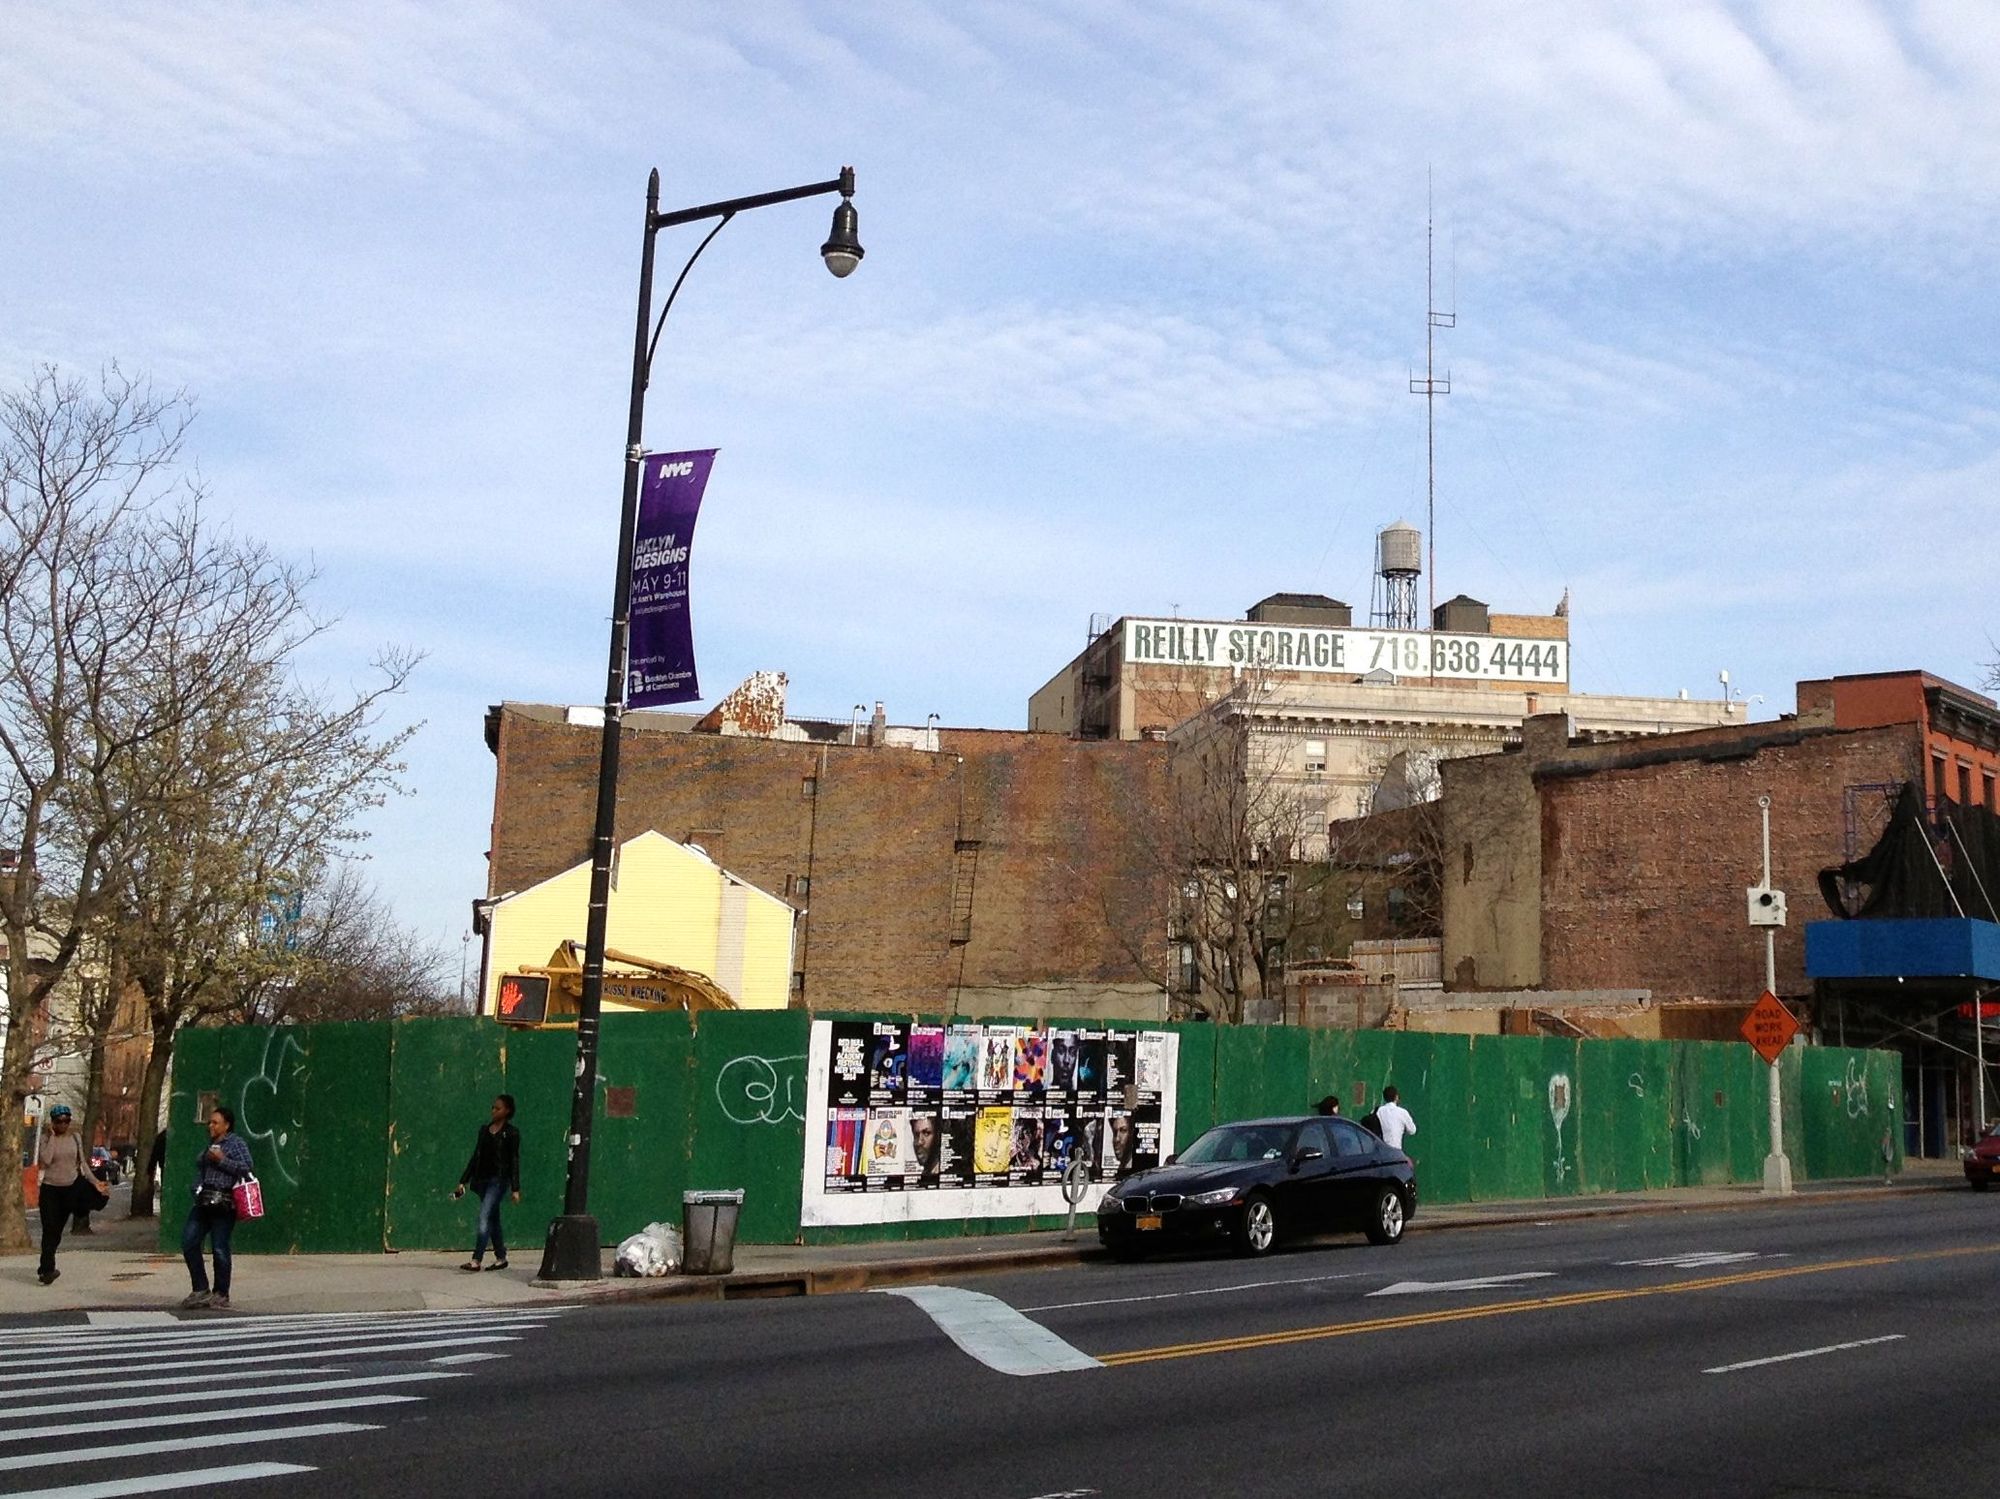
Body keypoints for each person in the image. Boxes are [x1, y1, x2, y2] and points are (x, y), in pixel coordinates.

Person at [183, 1105, 254, 1310]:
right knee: (189, 1241)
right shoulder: (210, 1144)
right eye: (210, 1122)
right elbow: (202, 1167)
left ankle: (221, 1293)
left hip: (224, 1202)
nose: (210, 1126)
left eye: (215, 1122)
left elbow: (247, 1167)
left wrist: (222, 1160)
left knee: (219, 1248)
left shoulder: (236, 1143)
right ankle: (201, 1288)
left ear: (227, 1125)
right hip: (204, 1200)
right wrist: (196, 1186)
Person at [35, 1104, 107, 1285]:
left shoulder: (75, 1138)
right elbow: (46, 1160)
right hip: (50, 1189)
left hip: (70, 1189)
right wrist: (52, 1137)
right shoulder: (45, 1138)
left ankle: (46, 1267)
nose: (63, 1125)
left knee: (57, 1231)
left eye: (66, 1121)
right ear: (53, 1122)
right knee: (49, 1229)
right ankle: (47, 1269)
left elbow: (83, 1163)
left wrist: (95, 1182)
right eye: (59, 1121)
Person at [451, 1094, 521, 1272]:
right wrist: (463, 1180)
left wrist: (515, 1188)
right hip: (482, 1180)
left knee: (484, 1216)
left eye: (498, 1108)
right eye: (493, 1107)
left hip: (499, 1181)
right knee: (493, 1218)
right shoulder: (484, 1131)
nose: (493, 1111)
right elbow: (476, 1156)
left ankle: (476, 1260)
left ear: (507, 1111)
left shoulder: (511, 1133)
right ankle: (501, 1258)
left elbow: (514, 1160)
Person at [1376, 1085, 1417, 1151]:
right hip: (1396, 1151)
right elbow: (1412, 1130)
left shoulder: (1378, 1111)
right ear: (1396, 1097)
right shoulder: (1402, 1112)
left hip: (1379, 1150)